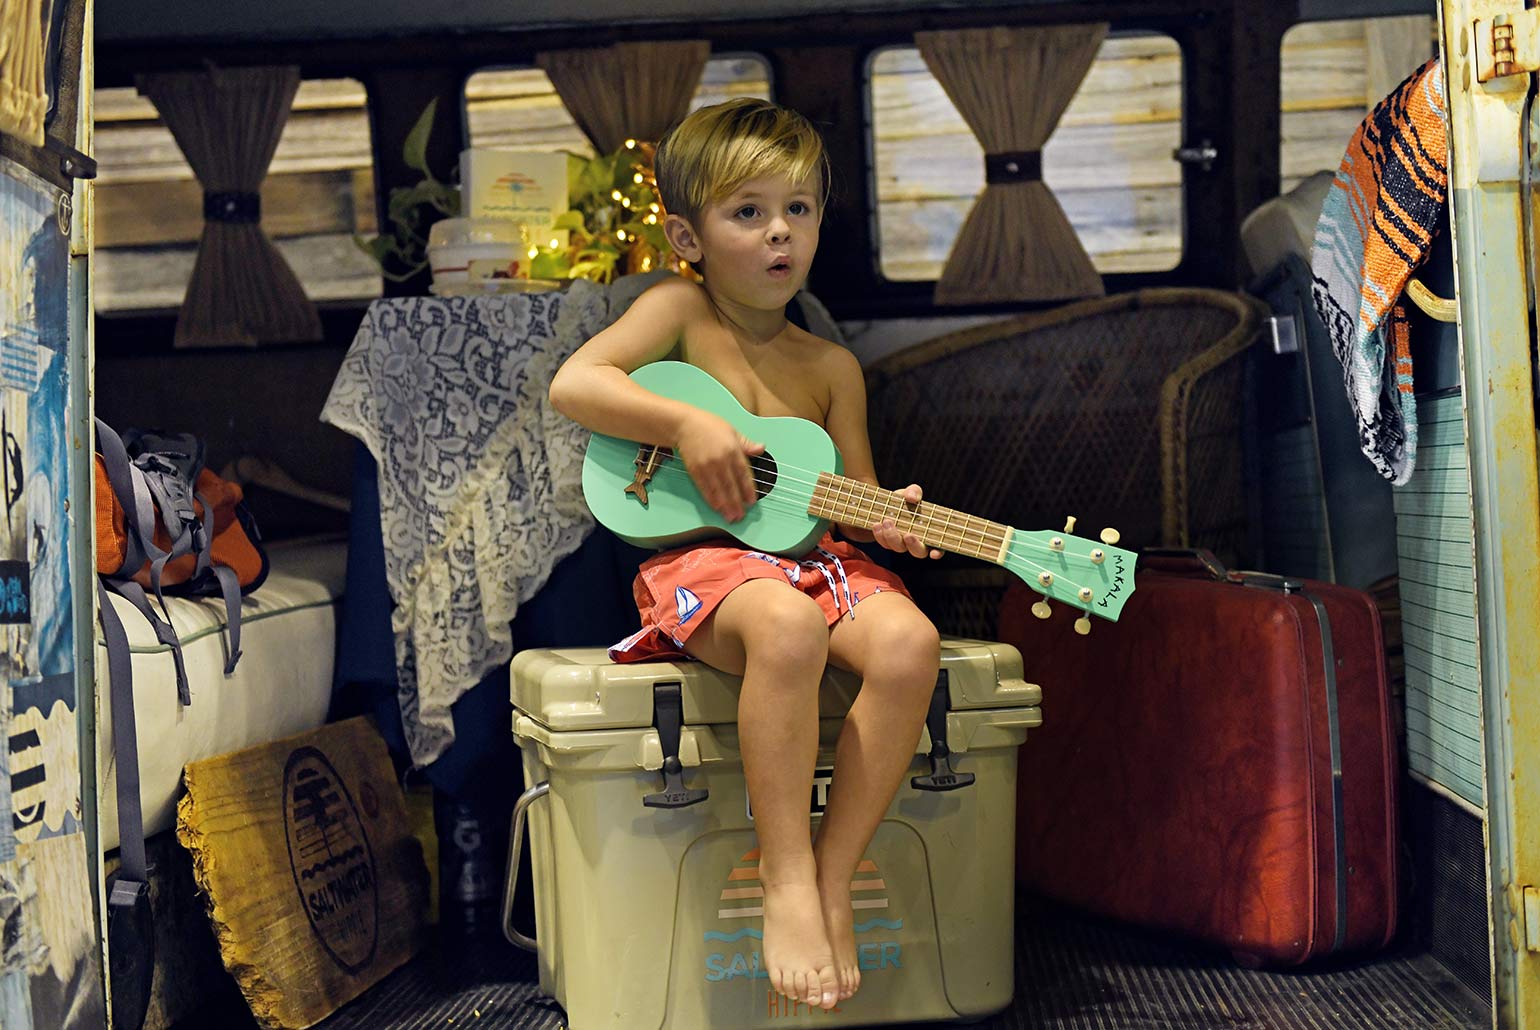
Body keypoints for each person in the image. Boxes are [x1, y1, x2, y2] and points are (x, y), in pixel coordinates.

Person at [548, 97, 941, 1013]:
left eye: (798, 211)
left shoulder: (831, 368)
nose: (779, 235)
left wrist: (889, 518)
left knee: (909, 646)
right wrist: (688, 423)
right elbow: (577, 383)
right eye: (748, 212)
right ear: (687, 234)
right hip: (704, 570)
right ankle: (786, 877)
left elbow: (853, 500)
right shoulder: (680, 310)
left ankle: (833, 876)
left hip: (815, 560)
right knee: (787, 625)